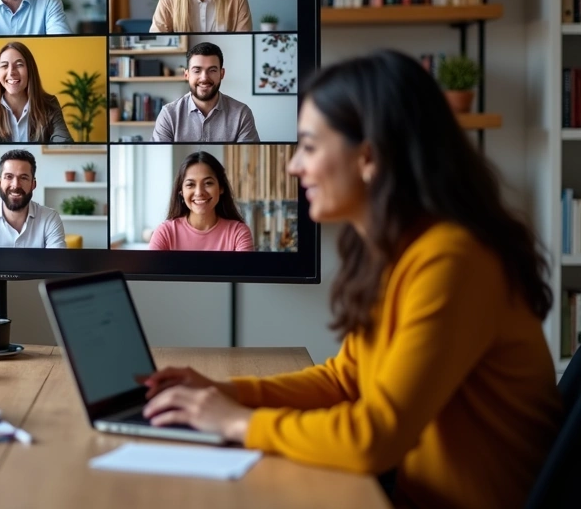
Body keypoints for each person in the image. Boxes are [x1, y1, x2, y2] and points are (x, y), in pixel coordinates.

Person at [138, 50, 562, 509]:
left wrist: (238, 423)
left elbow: (374, 438)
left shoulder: (452, 260)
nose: (294, 165)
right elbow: (345, 381)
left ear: (368, 156)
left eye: (310, 146)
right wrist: (223, 392)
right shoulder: (399, 251)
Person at [0, 41, 73, 143]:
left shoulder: (49, 104)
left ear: (30, 70)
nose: (11, 72)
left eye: (19, 65)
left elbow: (65, 145)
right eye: (4, 66)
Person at [152, 41, 259, 143]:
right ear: (186, 75)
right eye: (197, 70)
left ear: (222, 74)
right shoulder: (169, 114)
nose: (204, 78)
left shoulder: (241, 114)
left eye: (212, 70)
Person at [148, 151, 253, 251]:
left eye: (208, 183)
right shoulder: (165, 232)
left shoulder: (238, 233)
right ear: (181, 192)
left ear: (221, 187)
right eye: (190, 185)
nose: (199, 192)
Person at [0, 149, 66, 248]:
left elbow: (57, 265)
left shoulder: (50, 219)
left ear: (33, 184)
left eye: (23, 178)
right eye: (8, 177)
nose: (15, 185)